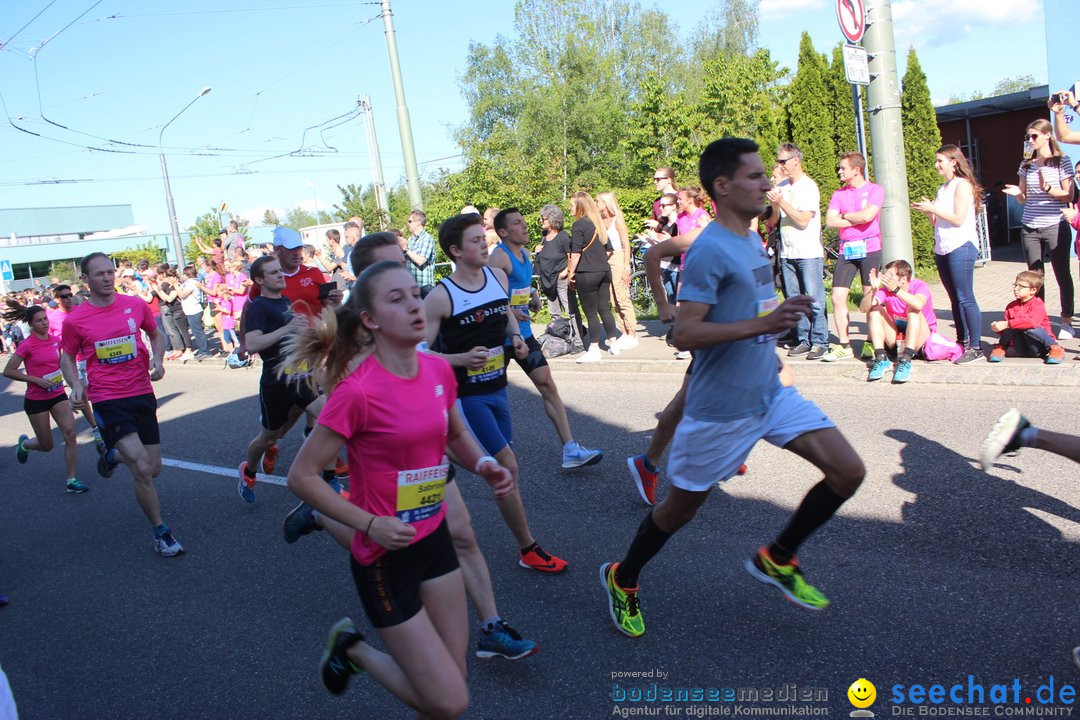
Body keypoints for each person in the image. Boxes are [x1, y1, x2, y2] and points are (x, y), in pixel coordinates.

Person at [600, 137, 865, 638]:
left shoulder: (748, 236)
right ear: (722, 186)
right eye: (755, 176)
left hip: (769, 393)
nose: (767, 182)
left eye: (766, 173)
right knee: (678, 512)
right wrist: (763, 328)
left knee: (847, 471)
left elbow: (754, 311)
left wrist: (775, 342)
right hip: (720, 410)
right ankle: (623, 576)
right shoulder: (708, 250)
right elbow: (684, 333)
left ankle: (777, 558)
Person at [283, 231, 539, 661]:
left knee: (461, 533)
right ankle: (326, 514)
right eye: (388, 269)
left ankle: (490, 625)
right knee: (390, 539)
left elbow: (428, 367)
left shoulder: (412, 309)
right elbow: (341, 403)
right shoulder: (356, 334)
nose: (402, 277)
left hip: (427, 449)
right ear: (367, 284)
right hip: (387, 463)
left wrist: (477, 458)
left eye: (403, 266)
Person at [425, 213, 569, 574]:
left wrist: (517, 337)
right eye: (475, 240)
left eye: (484, 237)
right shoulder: (442, 296)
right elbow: (419, 354)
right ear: (456, 251)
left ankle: (440, 452)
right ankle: (529, 548)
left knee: (504, 469)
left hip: (497, 390)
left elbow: (504, 309)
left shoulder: (495, 276)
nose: (484, 244)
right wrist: (460, 358)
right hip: (465, 396)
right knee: (507, 467)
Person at [59, 252, 182, 556]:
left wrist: (157, 357)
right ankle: (161, 532)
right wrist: (75, 384)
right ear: (85, 280)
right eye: (98, 274)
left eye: (110, 272)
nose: (106, 278)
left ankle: (111, 456)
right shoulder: (76, 320)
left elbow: (156, 335)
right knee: (140, 466)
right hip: (106, 397)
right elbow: (66, 357)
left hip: (140, 391)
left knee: (153, 468)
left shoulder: (134, 305)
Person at [489, 208, 604, 469]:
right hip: (500, 337)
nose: (525, 226)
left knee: (547, 384)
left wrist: (532, 293)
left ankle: (570, 449)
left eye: (524, 221)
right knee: (492, 396)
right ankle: (488, 451)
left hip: (523, 334)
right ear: (504, 232)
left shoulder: (525, 253)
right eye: (517, 223)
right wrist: (512, 315)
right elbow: (494, 298)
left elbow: (517, 285)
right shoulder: (498, 257)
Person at [237, 256, 330, 503]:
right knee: (268, 437)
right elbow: (252, 343)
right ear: (259, 280)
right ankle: (249, 470)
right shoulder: (259, 306)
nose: (281, 275)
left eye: (280, 270)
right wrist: (287, 329)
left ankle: (327, 478)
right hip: (276, 383)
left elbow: (290, 340)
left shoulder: (285, 301)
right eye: (273, 272)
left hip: (301, 376)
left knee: (330, 418)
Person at [3, 302, 87, 493]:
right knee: (47, 445)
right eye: (39, 321)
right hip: (36, 399)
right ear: (31, 325)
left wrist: (73, 385)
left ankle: (71, 480)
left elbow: (63, 365)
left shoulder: (55, 340)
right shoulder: (27, 345)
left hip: (57, 394)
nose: (44, 323)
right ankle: (25, 444)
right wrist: (36, 380)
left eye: (45, 319)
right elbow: (9, 371)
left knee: (70, 433)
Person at [912, 144, 985, 364]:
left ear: (954, 161)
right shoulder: (943, 188)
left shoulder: (962, 185)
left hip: (961, 245)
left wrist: (934, 209)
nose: (936, 166)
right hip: (943, 246)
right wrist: (929, 211)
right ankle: (961, 342)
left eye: (940, 161)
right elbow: (937, 222)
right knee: (954, 298)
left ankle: (976, 346)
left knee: (965, 296)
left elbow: (958, 218)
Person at [1004, 119, 1075, 339]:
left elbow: (1069, 195)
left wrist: (1048, 187)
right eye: (1028, 137)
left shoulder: (1062, 161)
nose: (1030, 141)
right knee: (1035, 276)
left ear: (1047, 135)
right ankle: (1040, 322)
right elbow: (1025, 198)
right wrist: (1017, 193)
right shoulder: (1026, 164)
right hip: (1030, 225)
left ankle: (1066, 321)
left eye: (1034, 136)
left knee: (1062, 273)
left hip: (1055, 223)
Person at [764, 143, 828, 360]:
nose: (780, 165)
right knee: (793, 299)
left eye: (783, 161)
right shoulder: (782, 185)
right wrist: (774, 205)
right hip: (787, 252)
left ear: (796, 160)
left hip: (808, 251)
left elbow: (802, 221)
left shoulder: (808, 187)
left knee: (813, 298)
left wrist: (782, 202)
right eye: (779, 161)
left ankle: (820, 341)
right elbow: (772, 222)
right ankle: (803, 338)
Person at [823, 151, 884, 362]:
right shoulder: (839, 194)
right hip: (847, 250)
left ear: (856, 170)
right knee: (837, 297)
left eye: (843, 168)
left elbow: (869, 215)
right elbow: (831, 221)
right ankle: (844, 344)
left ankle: (871, 342)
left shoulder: (875, 190)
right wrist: (857, 220)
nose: (839, 171)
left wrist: (846, 216)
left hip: (870, 249)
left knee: (870, 298)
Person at [46, 285, 104, 451]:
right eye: (64, 296)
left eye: (69, 295)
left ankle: (103, 420)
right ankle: (95, 427)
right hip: (72, 362)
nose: (68, 298)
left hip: (91, 357)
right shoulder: (53, 318)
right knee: (83, 394)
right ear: (56, 299)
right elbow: (49, 341)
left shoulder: (81, 311)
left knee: (99, 391)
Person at [863, 260, 937, 383]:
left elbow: (918, 304)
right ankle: (881, 358)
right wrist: (873, 289)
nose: (886, 278)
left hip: (921, 340)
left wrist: (896, 290)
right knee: (875, 310)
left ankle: (906, 360)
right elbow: (863, 308)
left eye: (890, 275)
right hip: (897, 340)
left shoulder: (919, 285)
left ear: (903, 278)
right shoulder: (886, 291)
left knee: (913, 310)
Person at [568, 192, 621, 362]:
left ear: (580, 206)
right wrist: (598, 261)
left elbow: (575, 253)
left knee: (590, 313)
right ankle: (613, 344)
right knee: (604, 309)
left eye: (571, 205)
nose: (569, 208)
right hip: (604, 271)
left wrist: (570, 274)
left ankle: (594, 348)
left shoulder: (579, 225)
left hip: (587, 273)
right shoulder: (599, 223)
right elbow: (609, 249)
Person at [988, 270, 1065, 363]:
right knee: (1010, 328)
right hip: (1021, 346)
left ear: (1033, 290)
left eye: (1021, 286)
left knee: (1030, 328)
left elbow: (1032, 322)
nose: (1016, 289)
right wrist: (998, 328)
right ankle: (1001, 347)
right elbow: (1008, 330)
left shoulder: (1038, 304)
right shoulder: (1011, 306)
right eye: (1015, 285)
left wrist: (1007, 324)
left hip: (1039, 347)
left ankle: (1055, 348)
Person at [596, 191, 639, 350]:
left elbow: (626, 245)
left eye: (598, 201)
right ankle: (624, 331)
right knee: (613, 299)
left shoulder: (617, 221)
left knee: (622, 296)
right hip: (607, 259)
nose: (596, 204)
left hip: (619, 257)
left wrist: (626, 268)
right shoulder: (601, 221)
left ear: (606, 203)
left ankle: (632, 333)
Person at [535, 204, 574, 324]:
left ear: (552, 219)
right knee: (553, 312)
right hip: (547, 279)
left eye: (544, 219)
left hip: (561, 279)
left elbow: (572, 256)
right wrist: (537, 250)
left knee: (569, 309)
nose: (541, 221)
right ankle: (558, 335)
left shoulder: (563, 236)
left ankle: (577, 336)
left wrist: (565, 271)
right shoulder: (544, 235)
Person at [401, 211, 437, 298]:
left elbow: (421, 260)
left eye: (410, 221)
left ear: (418, 223)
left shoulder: (427, 238)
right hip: (412, 286)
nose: (407, 224)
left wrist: (405, 249)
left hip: (424, 286)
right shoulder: (410, 240)